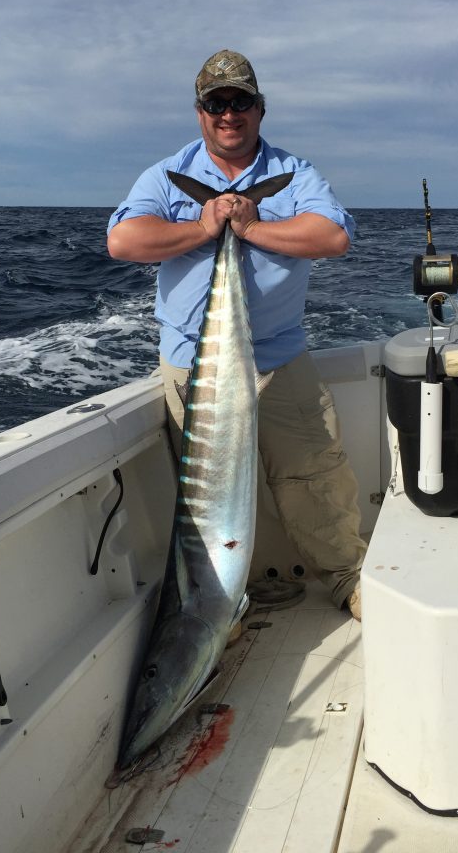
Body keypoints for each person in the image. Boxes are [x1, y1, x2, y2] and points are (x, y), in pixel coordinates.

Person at [107, 49, 366, 620]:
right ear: (200, 112)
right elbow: (124, 241)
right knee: (207, 498)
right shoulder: (167, 174)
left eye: (240, 101)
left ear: (260, 108)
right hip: (193, 366)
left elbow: (331, 237)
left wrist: (249, 225)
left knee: (315, 471)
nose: (229, 113)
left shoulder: (295, 172)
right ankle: (230, 594)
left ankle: (347, 574)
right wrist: (203, 226)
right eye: (215, 103)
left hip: (280, 358)